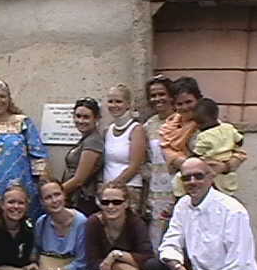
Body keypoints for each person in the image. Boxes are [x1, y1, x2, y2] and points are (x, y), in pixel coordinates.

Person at [143, 158, 257, 270]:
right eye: (187, 178)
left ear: (210, 177)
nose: (192, 182)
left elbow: (238, 262)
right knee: (154, 267)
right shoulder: (183, 205)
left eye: (198, 176)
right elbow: (169, 244)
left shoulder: (232, 210)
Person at [0, 78, 48, 221]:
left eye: (2, 96)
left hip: (22, 187)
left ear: (9, 99)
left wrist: (43, 186)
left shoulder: (22, 122)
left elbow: (38, 156)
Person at [142, 75, 176, 250]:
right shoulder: (149, 125)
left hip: (181, 190)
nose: (157, 99)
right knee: (157, 240)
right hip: (157, 192)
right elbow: (145, 159)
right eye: (153, 96)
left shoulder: (183, 121)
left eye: (161, 94)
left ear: (171, 96)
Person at [103, 84, 145, 214]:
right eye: (110, 101)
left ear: (128, 104)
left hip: (129, 189)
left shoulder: (136, 129)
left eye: (118, 101)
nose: (114, 105)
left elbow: (135, 165)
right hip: (108, 190)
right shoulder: (108, 129)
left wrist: (115, 186)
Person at [191, 98, 245, 196]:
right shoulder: (228, 127)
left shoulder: (203, 135)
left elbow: (197, 153)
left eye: (201, 123)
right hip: (226, 168)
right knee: (226, 190)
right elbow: (240, 140)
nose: (199, 126)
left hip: (210, 167)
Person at [62, 98, 104, 216]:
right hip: (73, 198)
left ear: (96, 118)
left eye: (86, 117)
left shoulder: (93, 141)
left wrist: (55, 193)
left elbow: (79, 179)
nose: (81, 120)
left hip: (82, 201)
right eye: (78, 116)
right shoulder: (85, 139)